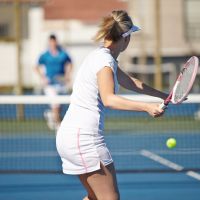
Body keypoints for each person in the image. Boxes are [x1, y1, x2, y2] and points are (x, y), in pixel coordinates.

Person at [56, 10, 167, 200]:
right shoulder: (105, 61)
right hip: (84, 139)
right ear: (126, 38)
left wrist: (164, 96)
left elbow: (131, 82)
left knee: (94, 197)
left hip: (71, 136)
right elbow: (109, 99)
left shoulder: (101, 57)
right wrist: (147, 107)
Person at [35, 34, 73, 130]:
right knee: (56, 105)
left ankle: (51, 115)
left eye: (54, 41)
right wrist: (43, 77)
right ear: (49, 42)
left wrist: (67, 76)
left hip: (60, 83)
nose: (53, 43)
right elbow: (36, 66)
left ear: (56, 42)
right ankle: (58, 126)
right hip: (50, 85)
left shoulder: (62, 54)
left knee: (59, 106)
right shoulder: (45, 55)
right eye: (51, 42)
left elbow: (70, 63)